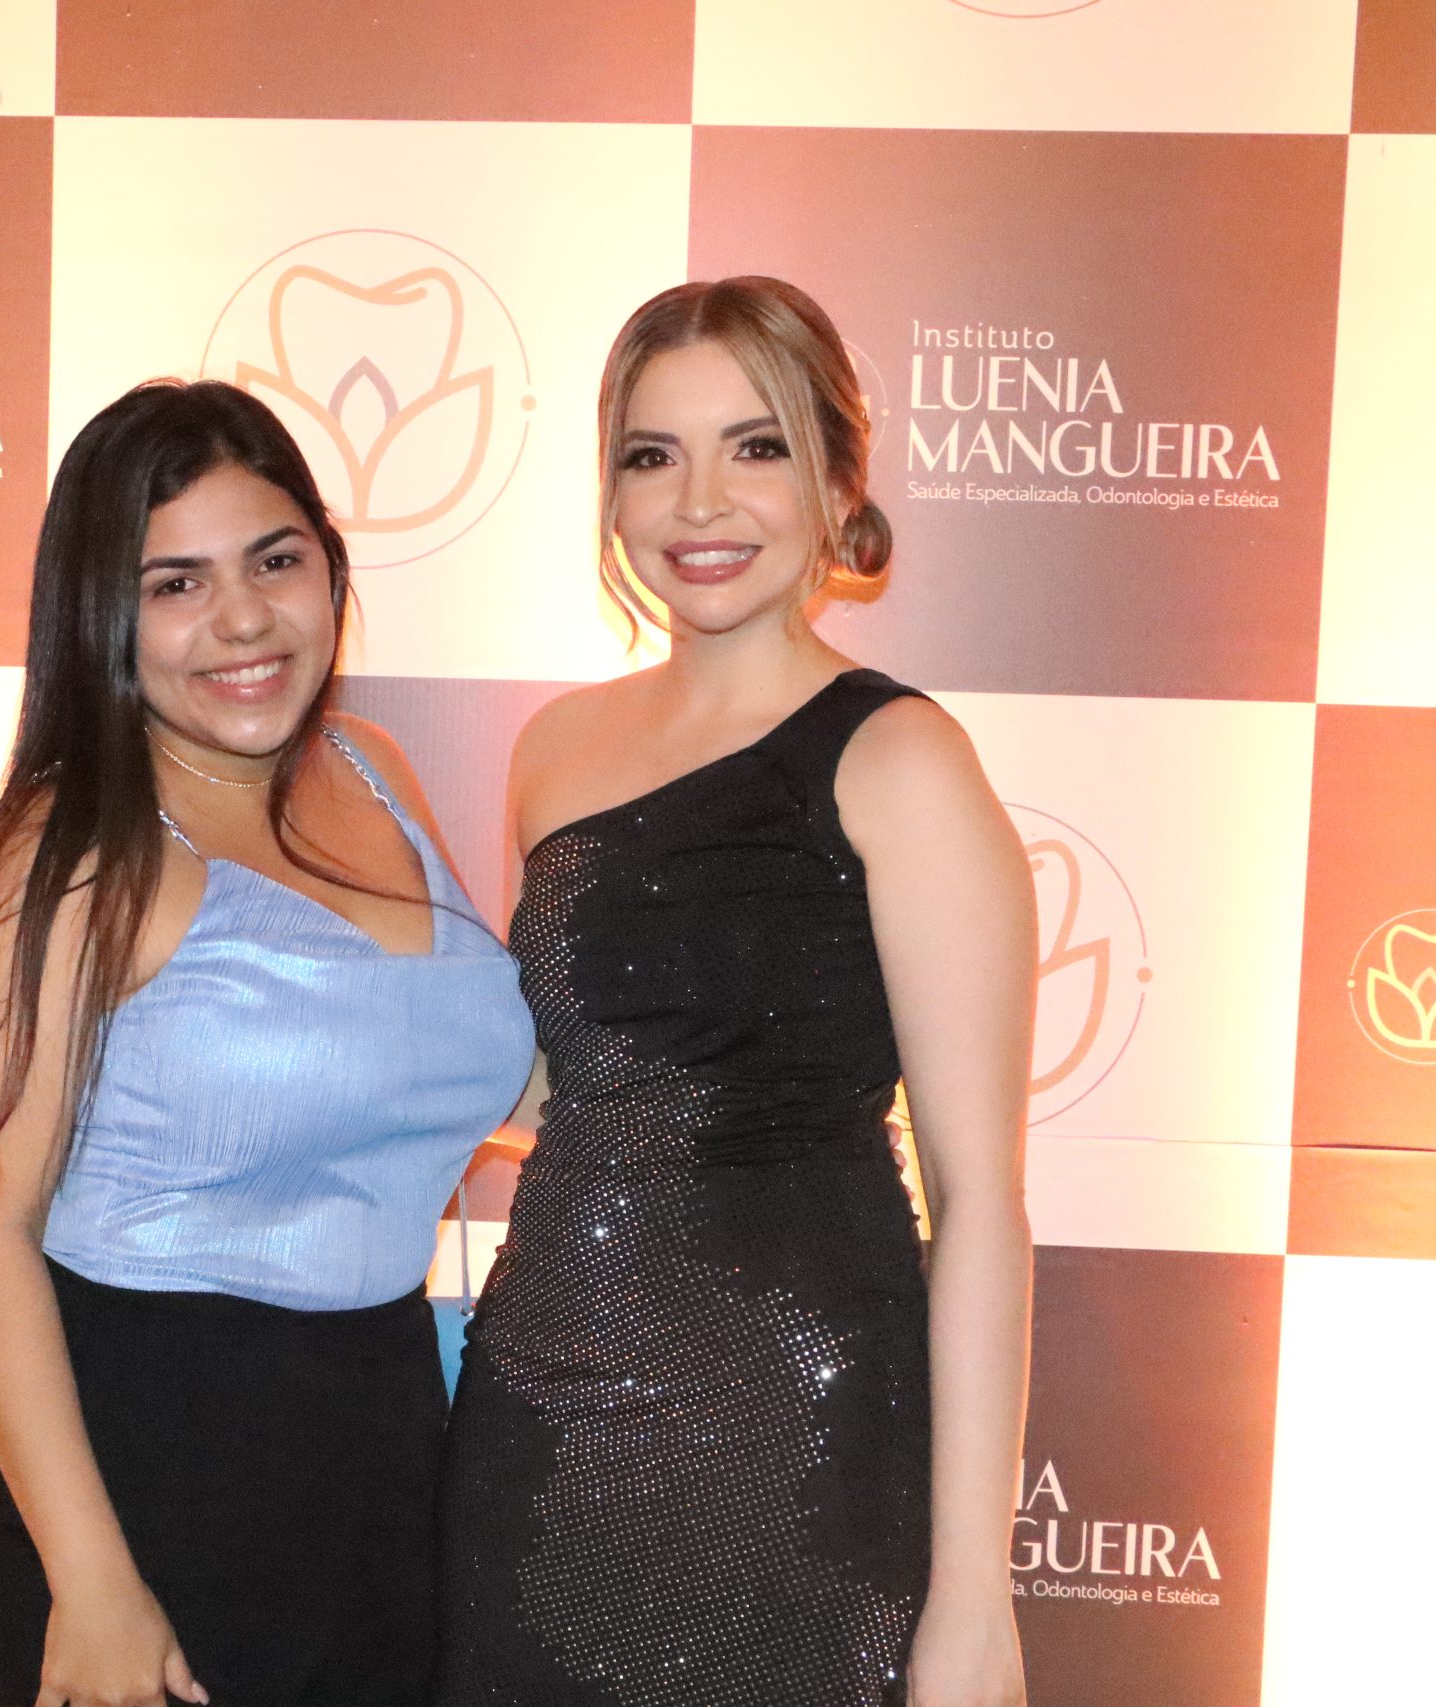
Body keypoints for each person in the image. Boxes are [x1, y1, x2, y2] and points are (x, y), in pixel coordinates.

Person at [437, 278, 1037, 1707]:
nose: (700, 502)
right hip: (535, 1434)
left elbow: (981, 1203)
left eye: (754, 446)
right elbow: (566, 1083)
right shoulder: (553, 749)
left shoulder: (901, 759)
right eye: (653, 456)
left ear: (835, 478)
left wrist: (973, 1598)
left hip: (799, 1456)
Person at [0, 379, 535, 1707]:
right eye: (176, 584)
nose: (244, 619)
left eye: (275, 560)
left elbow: (478, 1064)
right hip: (125, 1461)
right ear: (102, 613)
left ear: (330, 568)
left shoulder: (373, 771)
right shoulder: (68, 858)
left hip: (375, 1444)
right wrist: (91, 1581)